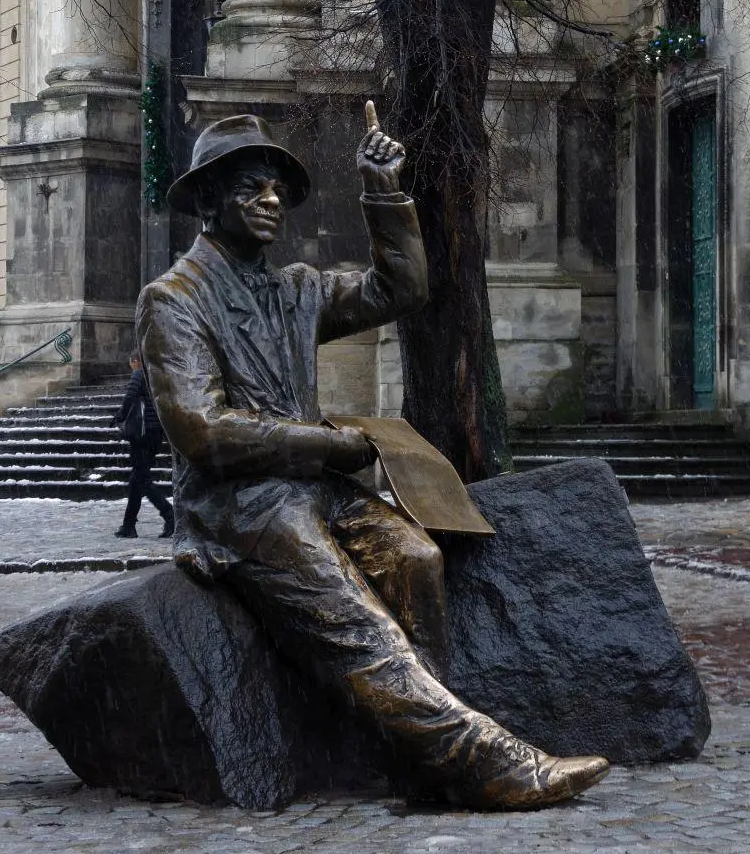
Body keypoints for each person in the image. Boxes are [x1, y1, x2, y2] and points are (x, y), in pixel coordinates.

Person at [137, 112, 608, 811]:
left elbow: (400, 291)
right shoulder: (174, 300)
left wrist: (384, 195)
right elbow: (202, 432)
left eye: (275, 190)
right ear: (208, 201)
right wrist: (331, 445)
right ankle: (481, 760)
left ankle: (421, 762)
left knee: (415, 558)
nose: (271, 201)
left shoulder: (295, 288)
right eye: (250, 189)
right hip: (238, 502)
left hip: (307, 486)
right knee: (358, 624)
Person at [113, 353, 174, 539]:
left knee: (142, 480)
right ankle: (129, 525)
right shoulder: (158, 375)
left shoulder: (140, 374)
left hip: (142, 433)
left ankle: (170, 515)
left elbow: (130, 397)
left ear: (135, 361)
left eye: (131, 363)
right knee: (137, 479)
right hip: (156, 433)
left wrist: (120, 417)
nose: (132, 367)